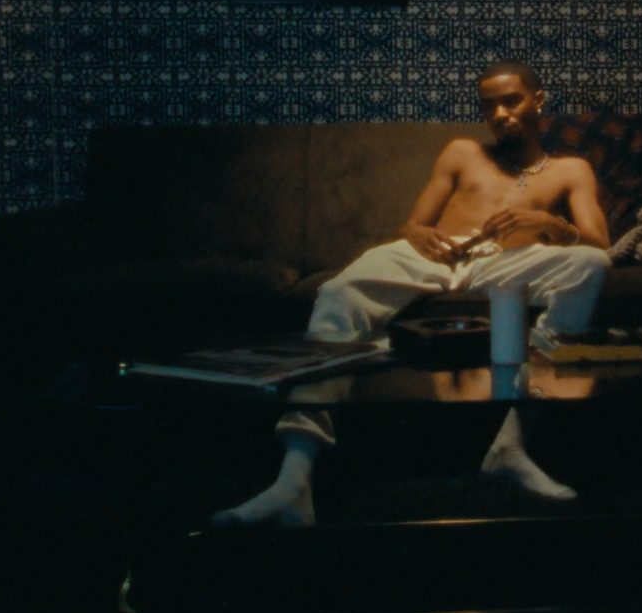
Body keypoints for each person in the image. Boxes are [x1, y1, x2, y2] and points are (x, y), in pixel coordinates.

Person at [212, 61, 614, 527]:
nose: (500, 114)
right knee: (338, 293)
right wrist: (418, 233)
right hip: (435, 257)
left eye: (511, 101)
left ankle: (510, 446)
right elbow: (413, 224)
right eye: (489, 106)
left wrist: (549, 224)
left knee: (591, 266)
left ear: (538, 101)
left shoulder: (570, 170)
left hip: (506, 264)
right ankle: (293, 477)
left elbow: (598, 243)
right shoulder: (462, 151)